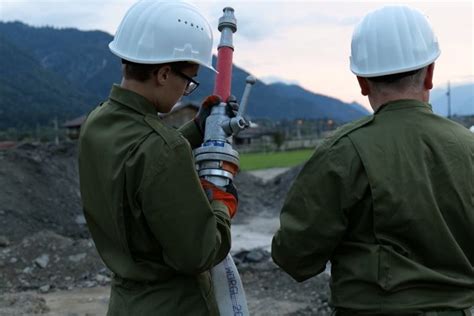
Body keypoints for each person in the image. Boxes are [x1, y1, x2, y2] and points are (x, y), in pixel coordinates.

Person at [272, 5, 473, 315]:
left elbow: (294, 256)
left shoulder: (342, 152)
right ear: (430, 74)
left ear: (362, 82)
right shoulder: (468, 146)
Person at [78, 1, 239, 315]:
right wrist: (221, 204)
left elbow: (141, 160)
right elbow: (200, 253)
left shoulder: (96, 123)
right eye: (189, 81)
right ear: (164, 73)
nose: (186, 91)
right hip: (174, 305)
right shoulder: (161, 149)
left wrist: (196, 128)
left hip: (126, 301)